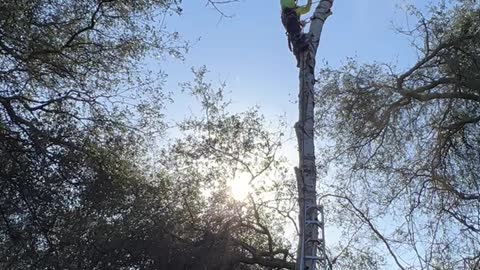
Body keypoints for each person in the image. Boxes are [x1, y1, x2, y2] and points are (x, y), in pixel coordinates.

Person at [280, 0, 312, 66]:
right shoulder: (286, 3)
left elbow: (307, 9)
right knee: (295, 35)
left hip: (293, 25)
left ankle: (299, 57)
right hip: (289, 22)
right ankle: (299, 49)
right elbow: (288, 4)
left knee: (297, 36)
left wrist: (309, 1)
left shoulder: (297, 9)